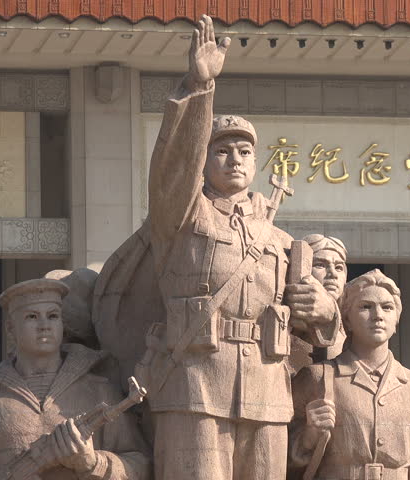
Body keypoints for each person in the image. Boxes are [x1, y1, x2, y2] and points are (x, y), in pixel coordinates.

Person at [141, 14, 339, 480]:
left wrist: (324, 308)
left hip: (267, 390)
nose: (234, 159)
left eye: (245, 152)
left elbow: (322, 332)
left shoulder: (281, 241)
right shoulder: (183, 217)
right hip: (195, 386)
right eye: (221, 150)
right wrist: (198, 89)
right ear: (204, 160)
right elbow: (172, 169)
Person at [0, 278, 151, 480]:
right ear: (10, 329)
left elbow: (141, 465)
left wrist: (92, 462)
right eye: (32, 317)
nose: (45, 325)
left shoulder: (100, 392)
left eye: (53, 316)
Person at [288, 270, 410, 480]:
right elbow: (275, 459)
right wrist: (309, 436)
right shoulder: (317, 377)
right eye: (366, 307)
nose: (378, 316)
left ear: (396, 318)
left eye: (387, 307)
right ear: (347, 317)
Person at [288, 234, 349, 373]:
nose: (333, 274)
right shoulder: (289, 323)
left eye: (339, 267)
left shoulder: (352, 322)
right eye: (320, 265)